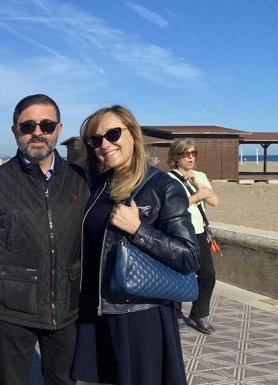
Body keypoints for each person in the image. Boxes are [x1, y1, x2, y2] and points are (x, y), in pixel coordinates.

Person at [71, 105, 200, 385]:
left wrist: (138, 229)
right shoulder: (101, 185)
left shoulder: (163, 186)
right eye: (96, 140)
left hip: (140, 315)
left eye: (113, 134)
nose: (105, 144)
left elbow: (190, 257)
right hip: (97, 310)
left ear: (134, 135)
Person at [0, 94, 89, 385]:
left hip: (66, 309)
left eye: (46, 125)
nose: (37, 133)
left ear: (58, 129)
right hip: (13, 311)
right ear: (14, 130)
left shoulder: (79, 179)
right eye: (27, 125)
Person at [167, 138, 219, 335]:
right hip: (178, 230)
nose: (190, 157)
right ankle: (176, 313)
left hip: (198, 231)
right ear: (175, 157)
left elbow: (214, 201)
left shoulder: (200, 176)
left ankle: (199, 313)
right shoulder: (169, 179)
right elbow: (172, 207)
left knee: (208, 274)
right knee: (179, 273)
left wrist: (197, 183)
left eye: (193, 153)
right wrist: (198, 196)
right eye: (186, 153)